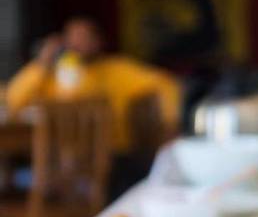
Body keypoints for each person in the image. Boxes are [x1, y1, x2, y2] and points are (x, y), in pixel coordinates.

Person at [7, 16, 181, 196]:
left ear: (98, 41)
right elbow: (14, 99)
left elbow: (165, 84)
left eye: (85, 37)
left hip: (112, 156)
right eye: (72, 37)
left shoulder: (117, 70)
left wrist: (169, 122)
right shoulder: (55, 74)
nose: (78, 43)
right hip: (61, 160)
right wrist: (41, 64)